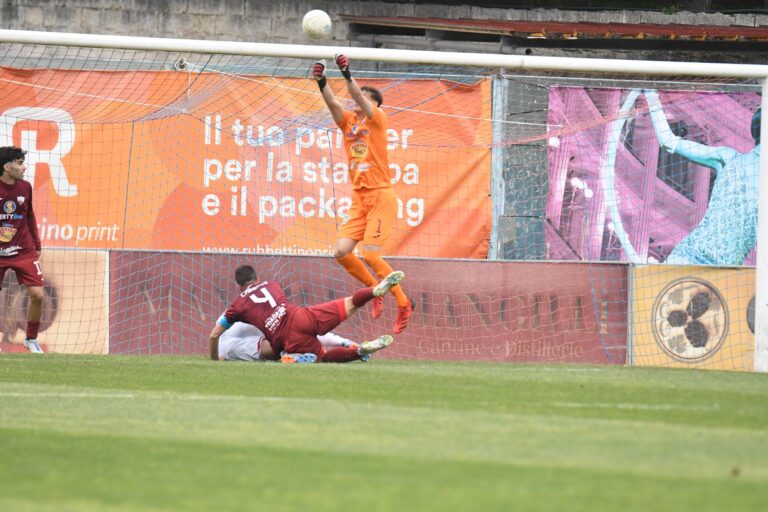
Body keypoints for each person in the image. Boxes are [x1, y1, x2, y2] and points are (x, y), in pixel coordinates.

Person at [312, 54, 412, 333]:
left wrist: (346, 73)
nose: (356, 101)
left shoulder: (377, 119)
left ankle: (404, 303)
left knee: (369, 253)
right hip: (360, 199)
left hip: (381, 196)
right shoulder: (348, 123)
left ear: (374, 104)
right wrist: (321, 80)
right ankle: (374, 290)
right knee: (342, 251)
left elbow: (356, 94)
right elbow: (332, 103)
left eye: (364, 99)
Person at [644, 89, 760, 265]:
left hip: (728, 271)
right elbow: (668, 142)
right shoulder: (728, 158)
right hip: (690, 257)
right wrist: (651, 95)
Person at [207, 264, 404, 363]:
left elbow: (214, 335)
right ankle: (375, 290)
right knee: (351, 303)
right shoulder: (272, 284)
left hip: (284, 337)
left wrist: (214, 360)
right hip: (302, 315)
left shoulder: (237, 304)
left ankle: (360, 351)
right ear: (258, 277)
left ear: (238, 286)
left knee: (324, 358)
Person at [0, 146, 44, 353]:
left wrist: (37, 244)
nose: (24, 167)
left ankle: (31, 339)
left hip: (23, 250)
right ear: (7, 167)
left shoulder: (25, 187)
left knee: (38, 295)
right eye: (19, 163)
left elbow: (29, 216)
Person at [213, 321, 361, 363]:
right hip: (242, 342)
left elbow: (217, 347)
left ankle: (288, 355)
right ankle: (347, 344)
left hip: (238, 345)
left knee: (274, 344)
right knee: (299, 334)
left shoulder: (231, 318)